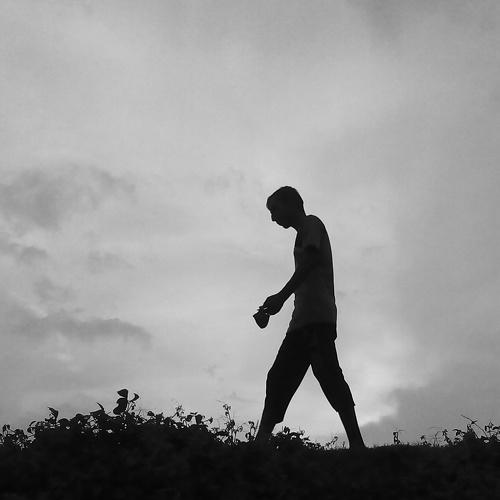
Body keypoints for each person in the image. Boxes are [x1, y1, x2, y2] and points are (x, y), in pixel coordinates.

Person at [254, 186, 365, 449]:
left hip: (318, 318)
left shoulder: (312, 224)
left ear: (292, 204)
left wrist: (281, 296)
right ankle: (259, 443)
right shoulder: (301, 235)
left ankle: (357, 444)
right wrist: (279, 301)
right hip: (302, 320)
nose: (273, 218)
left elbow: (311, 261)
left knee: (328, 376)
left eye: (275, 210)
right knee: (279, 377)